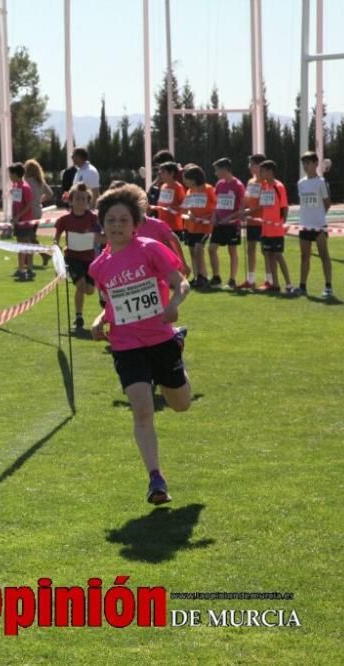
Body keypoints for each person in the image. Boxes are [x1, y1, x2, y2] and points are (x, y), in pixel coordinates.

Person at [88, 184, 191, 505]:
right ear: (102, 226)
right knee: (143, 410)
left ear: (135, 224)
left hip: (161, 337)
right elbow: (114, 302)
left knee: (180, 404)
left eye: (123, 220)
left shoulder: (149, 248)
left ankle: (179, 341)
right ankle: (155, 479)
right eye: (110, 221)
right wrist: (100, 319)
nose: (116, 226)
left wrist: (174, 303)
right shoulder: (98, 267)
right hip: (126, 344)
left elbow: (181, 282)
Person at [54, 183, 103, 329]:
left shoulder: (94, 218)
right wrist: (55, 246)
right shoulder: (64, 219)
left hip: (89, 259)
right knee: (80, 285)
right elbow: (56, 236)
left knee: (89, 290)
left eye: (84, 199)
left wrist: (103, 238)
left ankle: (80, 314)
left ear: (88, 202)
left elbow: (101, 236)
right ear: (71, 201)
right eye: (78, 199)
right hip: (72, 257)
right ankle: (79, 317)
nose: (81, 202)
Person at [296, 151, 333, 297]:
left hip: (319, 225)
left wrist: (318, 216)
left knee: (324, 255)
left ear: (316, 164)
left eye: (308, 163)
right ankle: (302, 286)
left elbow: (327, 203)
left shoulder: (321, 182)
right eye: (303, 163)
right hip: (304, 225)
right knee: (304, 256)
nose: (305, 166)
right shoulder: (301, 183)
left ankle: (328, 286)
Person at [257, 160, 294, 294]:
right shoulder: (264, 186)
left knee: (278, 255)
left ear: (270, 171)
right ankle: (275, 284)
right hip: (266, 228)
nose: (260, 173)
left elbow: (284, 207)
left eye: (262, 171)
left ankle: (289, 284)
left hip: (276, 229)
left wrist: (282, 223)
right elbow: (263, 206)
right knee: (269, 255)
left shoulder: (279, 186)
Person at [210, 158, 245, 288]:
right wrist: (214, 216)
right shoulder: (219, 184)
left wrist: (229, 218)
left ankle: (232, 279)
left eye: (217, 170)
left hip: (232, 225)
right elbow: (216, 203)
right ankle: (216, 277)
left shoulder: (238, 185)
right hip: (219, 224)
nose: (215, 173)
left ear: (224, 169)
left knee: (232, 251)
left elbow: (242, 208)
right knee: (211, 248)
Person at [181, 164, 217, 288]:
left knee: (198, 249)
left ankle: (204, 276)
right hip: (191, 226)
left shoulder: (209, 189)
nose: (184, 181)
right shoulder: (189, 191)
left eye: (186, 178)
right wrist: (190, 214)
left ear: (194, 178)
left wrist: (209, 217)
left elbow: (216, 207)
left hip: (204, 227)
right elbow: (187, 208)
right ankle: (196, 277)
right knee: (192, 251)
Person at [236, 153, 266, 289]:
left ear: (260, 166)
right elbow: (246, 199)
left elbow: (264, 203)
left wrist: (247, 212)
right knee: (250, 250)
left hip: (263, 222)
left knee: (266, 252)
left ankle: (269, 280)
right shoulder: (250, 182)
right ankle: (251, 280)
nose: (249, 167)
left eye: (252, 164)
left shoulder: (266, 182)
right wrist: (242, 209)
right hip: (251, 222)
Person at [8, 162, 37, 280]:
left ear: (15, 174)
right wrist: (13, 216)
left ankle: (28, 268)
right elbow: (15, 203)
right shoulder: (15, 187)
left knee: (26, 245)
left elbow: (29, 204)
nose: (9, 176)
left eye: (10, 174)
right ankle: (22, 268)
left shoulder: (25, 187)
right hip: (18, 222)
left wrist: (19, 216)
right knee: (20, 245)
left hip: (25, 221)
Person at [154, 162, 186, 238]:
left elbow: (184, 206)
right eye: (160, 173)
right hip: (162, 223)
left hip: (174, 226)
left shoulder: (178, 187)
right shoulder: (163, 186)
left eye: (163, 173)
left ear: (171, 173)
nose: (160, 175)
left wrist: (173, 209)